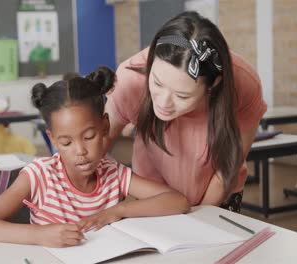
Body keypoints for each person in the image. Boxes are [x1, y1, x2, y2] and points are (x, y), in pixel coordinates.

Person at [0, 67, 189, 247]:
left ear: (105, 126)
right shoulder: (39, 176)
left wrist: (118, 210)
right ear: (53, 140)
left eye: (89, 136)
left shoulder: (114, 173)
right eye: (66, 142)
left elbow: (178, 202)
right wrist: (39, 235)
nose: (80, 151)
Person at [105, 11, 267, 212]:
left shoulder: (242, 84)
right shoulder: (131, 78)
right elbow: (98, 147)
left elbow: (227, 168)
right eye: (157, 83)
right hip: (155, 198)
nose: (164, 102)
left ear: (213, 85)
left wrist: (199, 218)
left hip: (218, 193)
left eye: (182, 96)